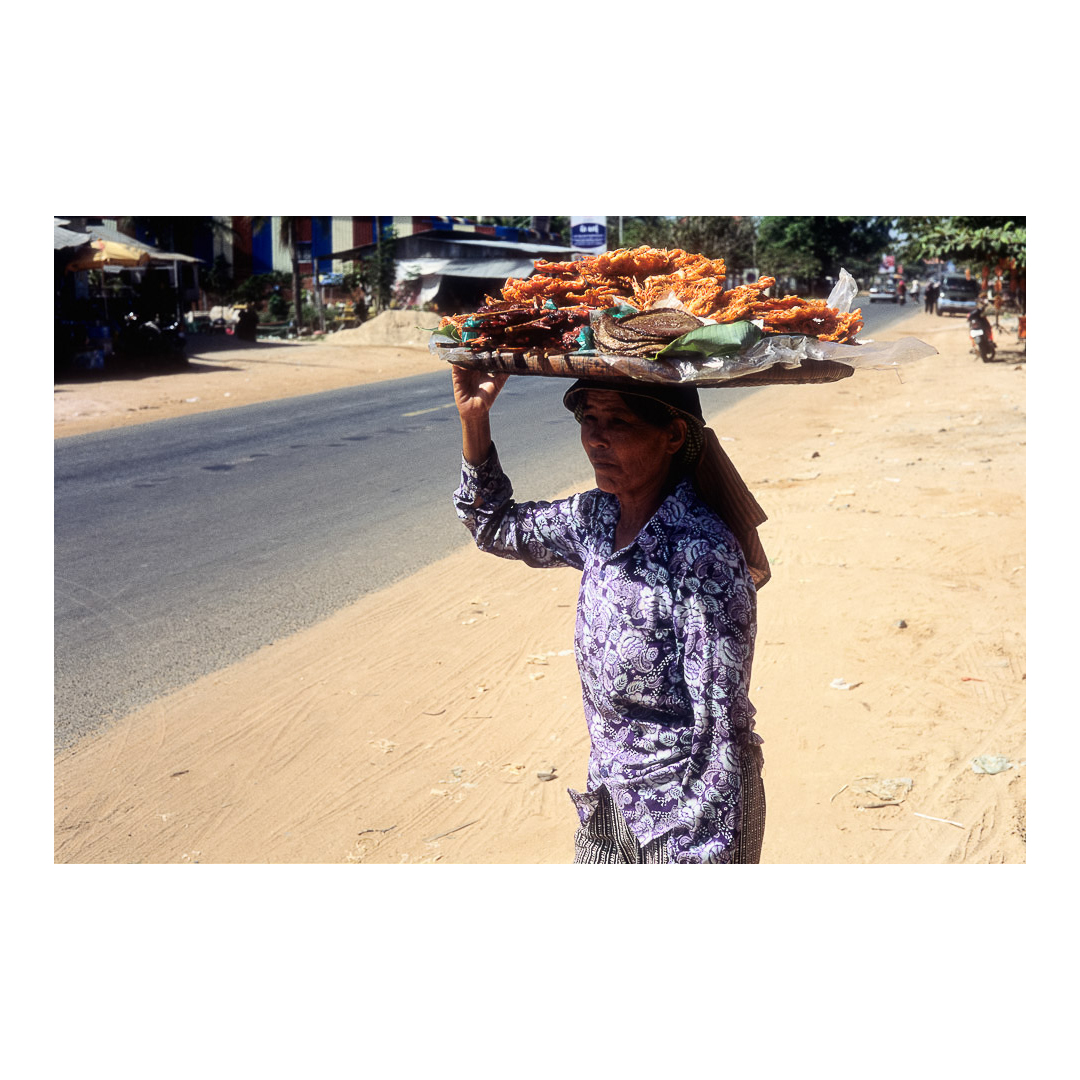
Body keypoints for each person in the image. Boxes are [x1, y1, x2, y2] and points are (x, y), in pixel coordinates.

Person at [451, 366, 769, 863]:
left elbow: (719, 724)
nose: (596, 439)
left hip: (686, 817)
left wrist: (697, 851)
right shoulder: (597, 519)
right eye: (589, 419)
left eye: (617, 422)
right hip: (609, 799)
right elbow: (493, 526)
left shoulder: (701, 554)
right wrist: (475, 420)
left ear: (672, 435)